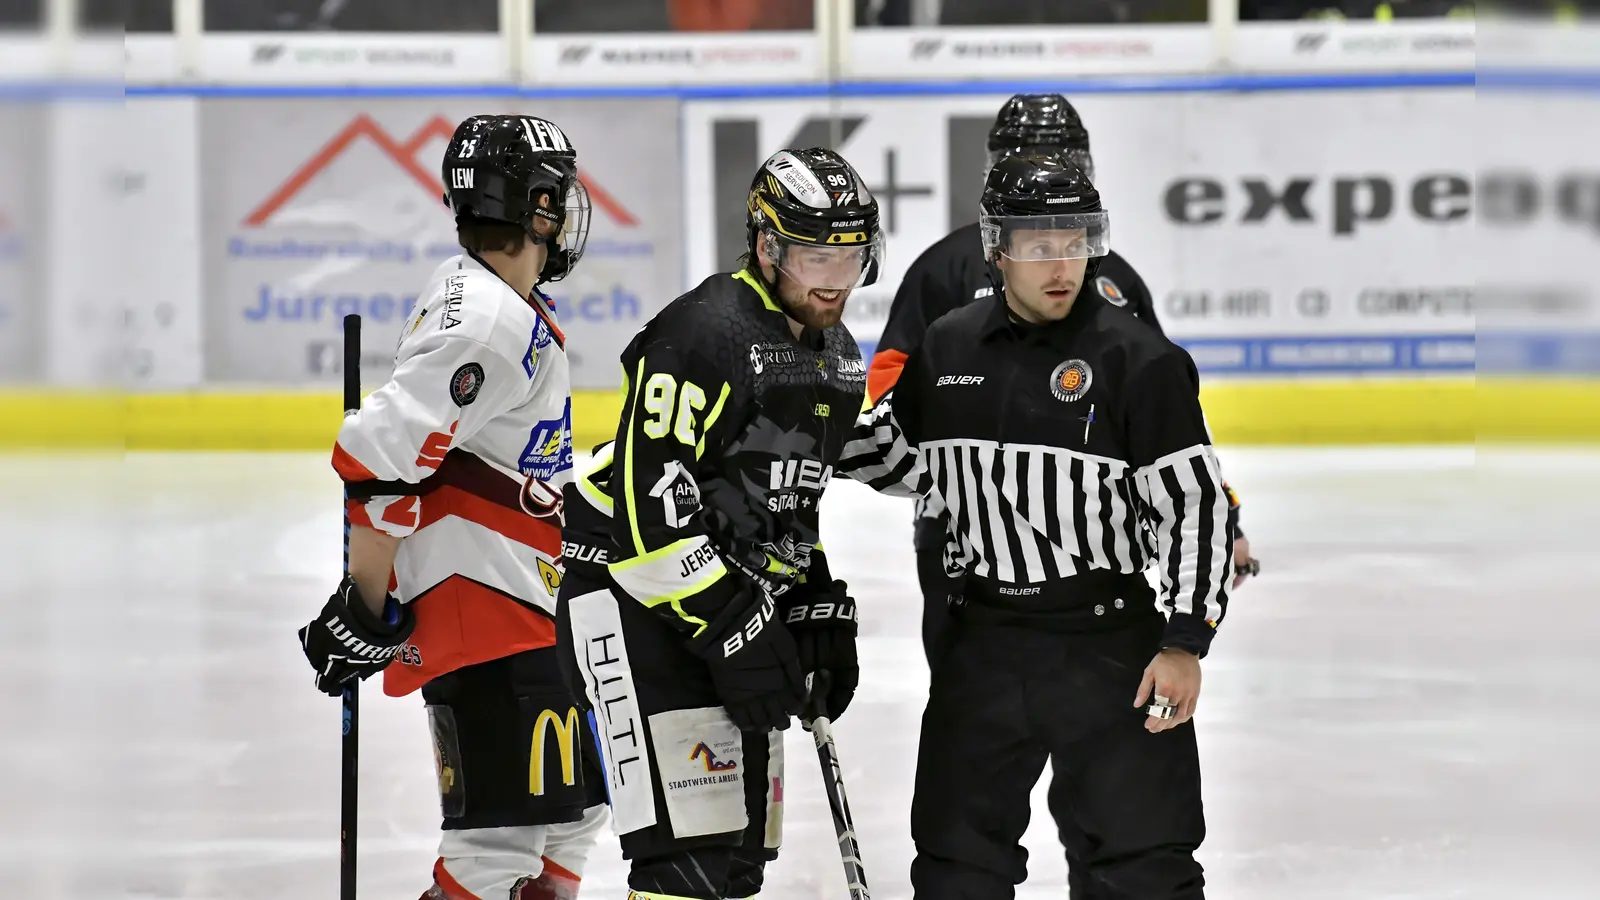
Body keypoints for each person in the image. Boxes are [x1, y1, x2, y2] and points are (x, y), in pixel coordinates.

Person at [840, 153, 1232, 899]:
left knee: (1143, 867)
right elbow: (905, 464)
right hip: (983, 643)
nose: (1062, 264)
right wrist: (810, 417)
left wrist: (1184, 644)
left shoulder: (1139, 360)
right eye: (1037, 245)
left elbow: (1194, 506)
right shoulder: (949, 346)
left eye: (1077, 240)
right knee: (957, 866)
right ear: (997, 249)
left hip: (1109, 647)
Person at [295, 114, 609, 900]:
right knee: (498, 845)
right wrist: (367, 604)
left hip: (534, 605)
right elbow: (377, 451)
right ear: (534, 206)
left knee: (574, 818)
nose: (566, 211)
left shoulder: (492, 299)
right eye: (556, 195)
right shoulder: (489, 323)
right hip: (490, 614)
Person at [554, 147, 881, 900]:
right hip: (627, 596)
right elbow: (645, 516)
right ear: (767, 247)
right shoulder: (703, 335)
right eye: (813, 256)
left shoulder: (838, 359)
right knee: (685, 861)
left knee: (735, 862)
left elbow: (786, 499)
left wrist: (810, 598)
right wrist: (736, 625)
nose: (836, 280)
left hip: (720, 603)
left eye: (853, 255)